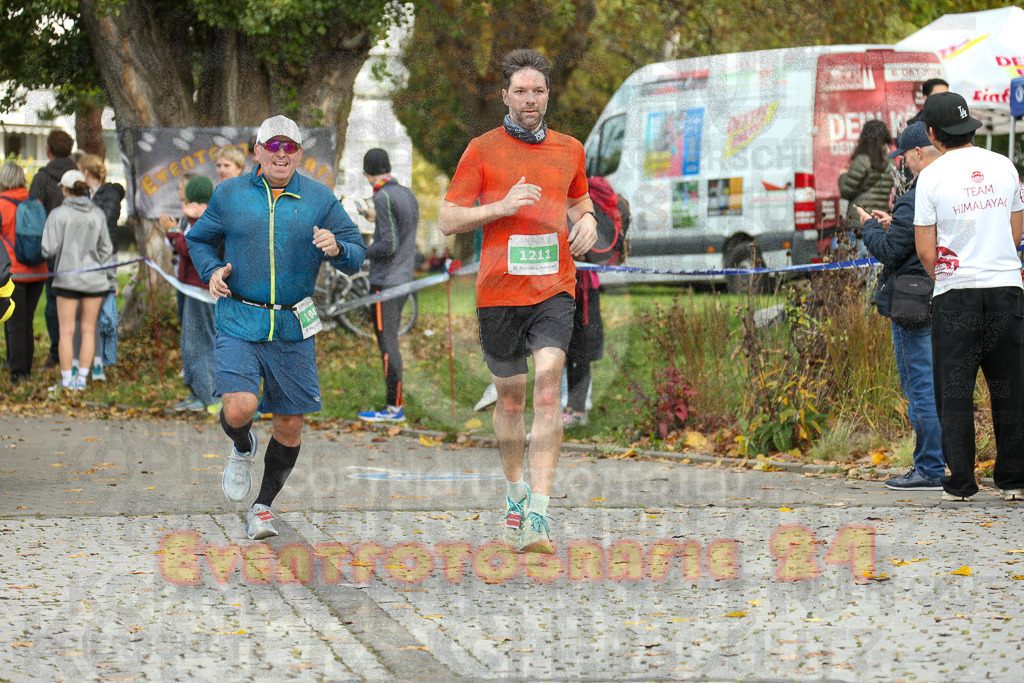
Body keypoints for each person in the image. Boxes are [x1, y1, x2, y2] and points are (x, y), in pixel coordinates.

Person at [439, 49, 598, 554]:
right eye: (521, 91)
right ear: (505, 96)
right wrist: (502, 206)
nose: (531, 99)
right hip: (498, 293)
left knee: (548, 389)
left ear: (548, 95)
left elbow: (579, 199)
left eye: (539, 91)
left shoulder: (570, 148)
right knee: (511, 399)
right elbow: (447, 218)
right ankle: (515, 494)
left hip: (554, 287)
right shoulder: (481, 150)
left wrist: (588, 220)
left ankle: (541, 517)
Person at [187, 115, 365, 540]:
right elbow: (198, 239)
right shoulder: (229, 195)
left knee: (289, 425)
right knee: (239, 408)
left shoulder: (319, 198)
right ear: (258, 152)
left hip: (292, 322)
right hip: (240, 316)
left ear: (299, 154)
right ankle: (242, 444)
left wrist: (337, 247)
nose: (281, 154)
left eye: (290, 147)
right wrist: (212, 270)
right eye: (273, 146)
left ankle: (262, 507)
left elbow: (356, 252)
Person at [913, 91, 1024, 502]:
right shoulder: (1004, 166)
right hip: (1006, 289)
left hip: (956, 293)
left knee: (955, 390)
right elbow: (1015, 233)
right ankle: (1013, 479)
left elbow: (926, 249)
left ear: (931, 133)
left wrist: (946, 275)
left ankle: (961, 482)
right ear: (970, 125)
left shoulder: (931, 176)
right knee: (1011, 388)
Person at [858, 122, 945, 490]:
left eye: (906, 157)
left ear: (919, 153)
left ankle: (928, 467)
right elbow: (920, 236)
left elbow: (893, 251)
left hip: (912, 301)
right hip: (944, 296)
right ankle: (941, 462)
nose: (904, 165)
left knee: (919, 386)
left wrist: (870, 228)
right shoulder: (948, 188)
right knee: (938, 384)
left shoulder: (917, 192)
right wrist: (896, 223)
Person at [356, 148, 420, 423]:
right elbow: (402, 230)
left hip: (385, 282)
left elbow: (388, 244)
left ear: (367, 173)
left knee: (387, 344)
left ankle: (393, 408)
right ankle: (396, 404)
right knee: (391, 341)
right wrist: (376, 218)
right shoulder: (406, 193)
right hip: (405, 279)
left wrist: (359, 251)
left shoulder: (381, 196)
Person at [40, 170, 115, 391]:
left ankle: (66, 381)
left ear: (64, 189)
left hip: (67, 279)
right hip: (95, 280)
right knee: (88, 330)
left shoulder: (58, 214)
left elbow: (47, 248)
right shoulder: (97, 215)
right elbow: (106, 251)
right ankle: (81, 380)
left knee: (66, 331)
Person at [563, 176, 629, 428]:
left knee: (578, 349)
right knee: (571, 349)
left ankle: (576, 410)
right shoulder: (576, 199)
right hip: (582, 285)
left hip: (580, 287)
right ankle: (573, 408)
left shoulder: (572, 203)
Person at [161, 175, 219, 412]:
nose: (188, 206)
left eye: (193, 201)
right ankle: (198, 393)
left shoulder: (207, 221)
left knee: (199, 345)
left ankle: (211, 398)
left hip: (201, 292)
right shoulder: (197, 220)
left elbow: (190, 248)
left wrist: (173, 232)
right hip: (191, 288)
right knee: (190, 344)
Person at [29, 129, 77, 369]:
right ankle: (78, 351)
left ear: (48, 150)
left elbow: (33, 212)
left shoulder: (41, 178)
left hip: (53, 248)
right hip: (80, 246)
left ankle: (57, 352)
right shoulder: (79, 175)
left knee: (53, 301)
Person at [77, 153, 125, 381]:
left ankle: (108, 359)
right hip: (86, 257)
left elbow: (106, 220)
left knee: (107, 307)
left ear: (86, 172)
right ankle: (92, 358)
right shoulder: (85, 194)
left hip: (105, 257)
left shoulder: (110, 193)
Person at [1, 162, 49, 383]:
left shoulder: (1, 204)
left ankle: (18, 373)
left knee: (14, 325)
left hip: (14, 274)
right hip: (37, 271)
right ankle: (25, 368)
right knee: (26, 321)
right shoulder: (34, 201)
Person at [839, 120, 894, 232]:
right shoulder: (891, 163)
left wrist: (843, 175)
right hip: (880, 221)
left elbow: (846, 191)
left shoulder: (862, 160)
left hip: (859, 221)